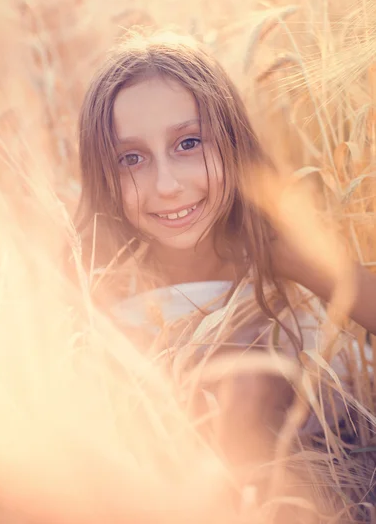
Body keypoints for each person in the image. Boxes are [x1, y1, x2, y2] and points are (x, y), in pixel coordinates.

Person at [74, 29, 376, 467]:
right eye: (131, 158)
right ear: (103, 173)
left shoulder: (271, 247)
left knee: (247, 381)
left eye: (189, 144)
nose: (167, 185)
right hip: (165, 482)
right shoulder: (94, 275)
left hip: (315, 469)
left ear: (231, 142)